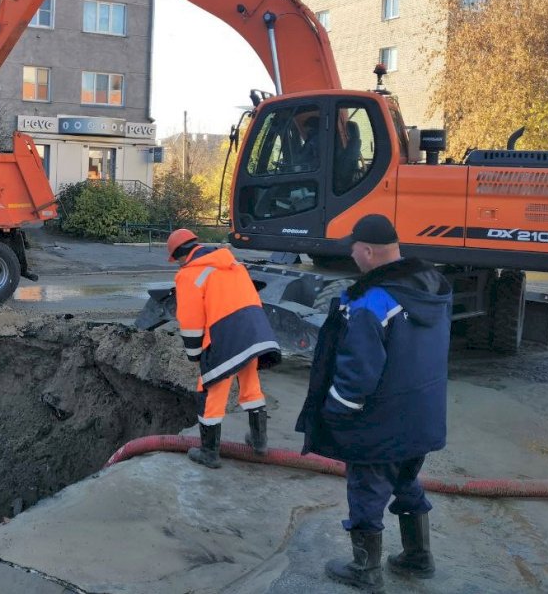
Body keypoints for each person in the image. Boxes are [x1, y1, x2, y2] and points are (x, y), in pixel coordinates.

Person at [295, 214, 452, 592]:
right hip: (422, 418)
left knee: (367, 489)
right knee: (405, 479)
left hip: (381, 421)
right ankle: (418, 557)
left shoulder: (372, 303)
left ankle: (365, 571)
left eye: (354, 251)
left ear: (367, 251)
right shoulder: (431, 288)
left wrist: (335, 414)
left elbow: (357, 373)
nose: (352, 258)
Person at [167, 228, 281, 468]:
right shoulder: (231, 263)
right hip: (255, 331)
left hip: (225, 334)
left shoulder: (189, 274)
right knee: (251, 384)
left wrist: (195, 354)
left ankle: (209, 453)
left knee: (210, 389)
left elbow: (190, 321)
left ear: (179, 256)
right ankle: (259, 442)